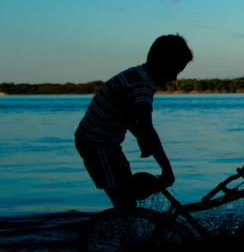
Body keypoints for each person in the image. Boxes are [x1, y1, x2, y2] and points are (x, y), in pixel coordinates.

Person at [75, 35, 193, 211]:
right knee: (125, 203)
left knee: (127, 197)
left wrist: (140, 138)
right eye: (176, 70)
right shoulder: (142, 86)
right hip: (96, 144)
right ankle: (119, 234)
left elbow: (127, 115)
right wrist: (167, 169)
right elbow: (147, 128)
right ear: (163, 63)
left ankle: (132, 211)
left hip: (103, 143)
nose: (175, 77)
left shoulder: (136, 74)